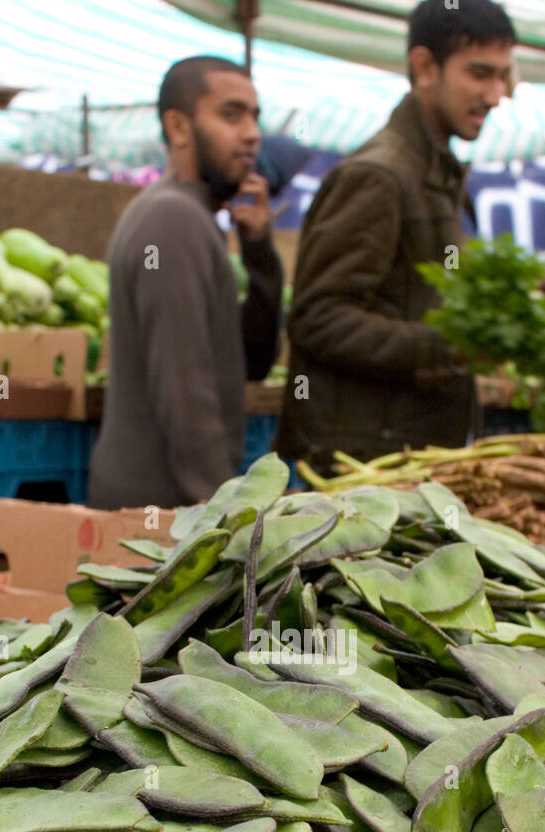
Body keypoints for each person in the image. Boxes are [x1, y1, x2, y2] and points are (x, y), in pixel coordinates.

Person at [275, 0, 515, 476]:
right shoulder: (380, 176)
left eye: (503, 76)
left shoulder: (437, 173)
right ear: (425, 67)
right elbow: (316, 318)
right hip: (360, 473)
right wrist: (448, 346)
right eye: (480, 73)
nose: (495, 94)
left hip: (405, 457)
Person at [89, 56, 284, 510]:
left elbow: (250, 363)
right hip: (156, 518)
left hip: (171, 512)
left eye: (255, 117)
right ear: (178, 128)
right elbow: (185, 389)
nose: (252, 133)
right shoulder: (171, 220)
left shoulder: (195, 218)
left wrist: (259, 252)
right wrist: (223, 519)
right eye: (231, 115)